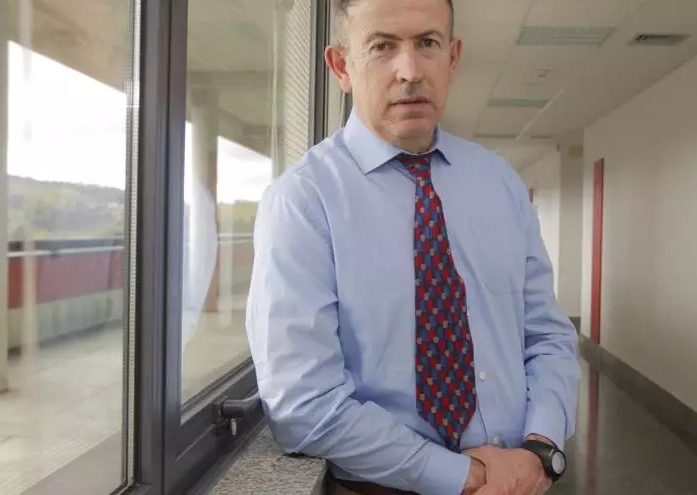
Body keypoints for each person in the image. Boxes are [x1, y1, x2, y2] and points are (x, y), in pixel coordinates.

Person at [246, 0, 580, 493]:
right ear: (341, 67)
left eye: (428, 43)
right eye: (382, 46)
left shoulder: (499, 183)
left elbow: (547, 336)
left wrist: (540, 449)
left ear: (453, 57)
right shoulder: (303, 201)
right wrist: (465, 478)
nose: (410, 71)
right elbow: (303, 402)